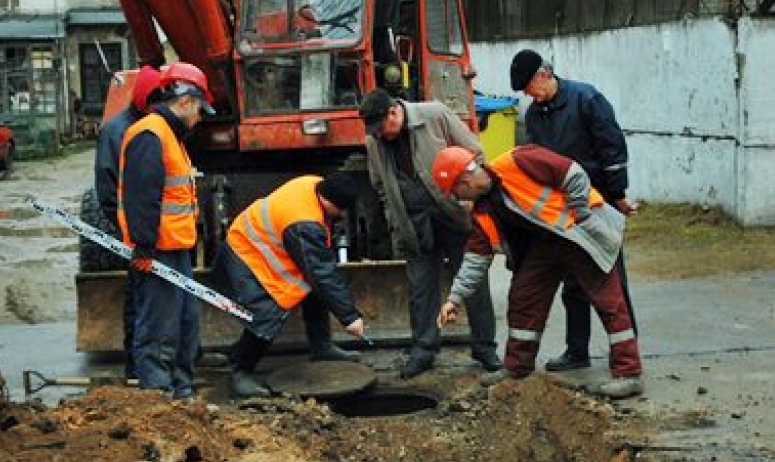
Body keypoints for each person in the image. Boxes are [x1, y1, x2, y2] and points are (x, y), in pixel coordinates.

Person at [434, 144, 644, 399]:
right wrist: (453, 299)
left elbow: (572, 172)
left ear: (464, 180)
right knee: (524, 297)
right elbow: (475, 260)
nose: (458, 200)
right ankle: (517, 368)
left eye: (455, 193)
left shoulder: (518, 160)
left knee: (608, 301)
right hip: (544, 246)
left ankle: (628, 373)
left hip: (576, 233)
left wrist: (581, 213)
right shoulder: (483, 212)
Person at [509, 49, 638, 372]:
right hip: (561, 211)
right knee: (574, 283)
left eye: (528, 87)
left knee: (611, 279)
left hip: (597, 202)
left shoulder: (587, 99)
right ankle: (576, 350)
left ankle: (626, 351)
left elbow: (612, 147)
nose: (528, 95)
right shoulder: (534, 116)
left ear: (544, 74)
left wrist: (618, 193)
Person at [360, 88, 500, 379]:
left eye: (382, 128)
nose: (379, 136)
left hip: (453, 216)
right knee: (420, 289)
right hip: (414, 224)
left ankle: (485, 348)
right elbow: (380, 186)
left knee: (472, 282)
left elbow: (475, 151)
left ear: (394, 112)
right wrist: (395, 220)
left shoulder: (434, 115)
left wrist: (467, 199)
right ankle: (423, 350)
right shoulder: (373, 141)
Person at [211, 173, 368, 398]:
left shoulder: (314, 184)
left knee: (313, 289)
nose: (342, 216)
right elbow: (321, 272)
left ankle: (321, 347)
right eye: (341, 210)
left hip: (267, 248)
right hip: (245, 257)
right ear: (328, 202)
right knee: (266, 314)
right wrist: (350, 317)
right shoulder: (304, 222)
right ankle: (239, 371)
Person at [118, 62, 215, 399]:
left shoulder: (169, 136)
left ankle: (182, 391)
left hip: (175, 247)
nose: (200, 117)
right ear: (186, 101)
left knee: (185, 324)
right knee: (159, 327)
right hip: (158, 250)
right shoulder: (151, 134)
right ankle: (158, 396)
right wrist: (144, 247)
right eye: (200, 109)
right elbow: (141, 195)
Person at [94, 64, 165, 379]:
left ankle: (159, 359)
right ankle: (135, 367)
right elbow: (108, 191)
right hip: (136, 233)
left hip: (158, 230)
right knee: (139, 296)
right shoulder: (117, 131)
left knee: (158, 297)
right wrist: (133, 231)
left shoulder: (157, 125)